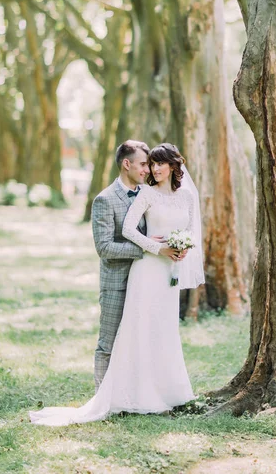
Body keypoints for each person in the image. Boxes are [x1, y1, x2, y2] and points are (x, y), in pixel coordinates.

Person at [29, 143, 204, 426]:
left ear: (173, 166)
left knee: (164, 330)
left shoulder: (184, 196)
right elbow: (119, 235)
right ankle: (111, 396)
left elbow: (189, 229)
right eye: (148, 164)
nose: (152, 169)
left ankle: (167, 391)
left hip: (168, 272)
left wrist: (181, 248)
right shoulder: (130, 195)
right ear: (128, 165)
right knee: (121, 337)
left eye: (157, 164)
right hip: (144, 271)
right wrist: (155, 249)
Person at [91, 140, 178, 391]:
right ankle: (102, 396)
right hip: (117, 282)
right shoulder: (105, 200)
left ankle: (133, 393)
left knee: (140, 341)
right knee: (109, 342)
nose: (148, 170)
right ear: (126, 164)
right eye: (142, 165)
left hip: (148, 282)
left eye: (149, 165)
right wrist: (147, 248)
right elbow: (104, 248)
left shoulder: (151, 194)